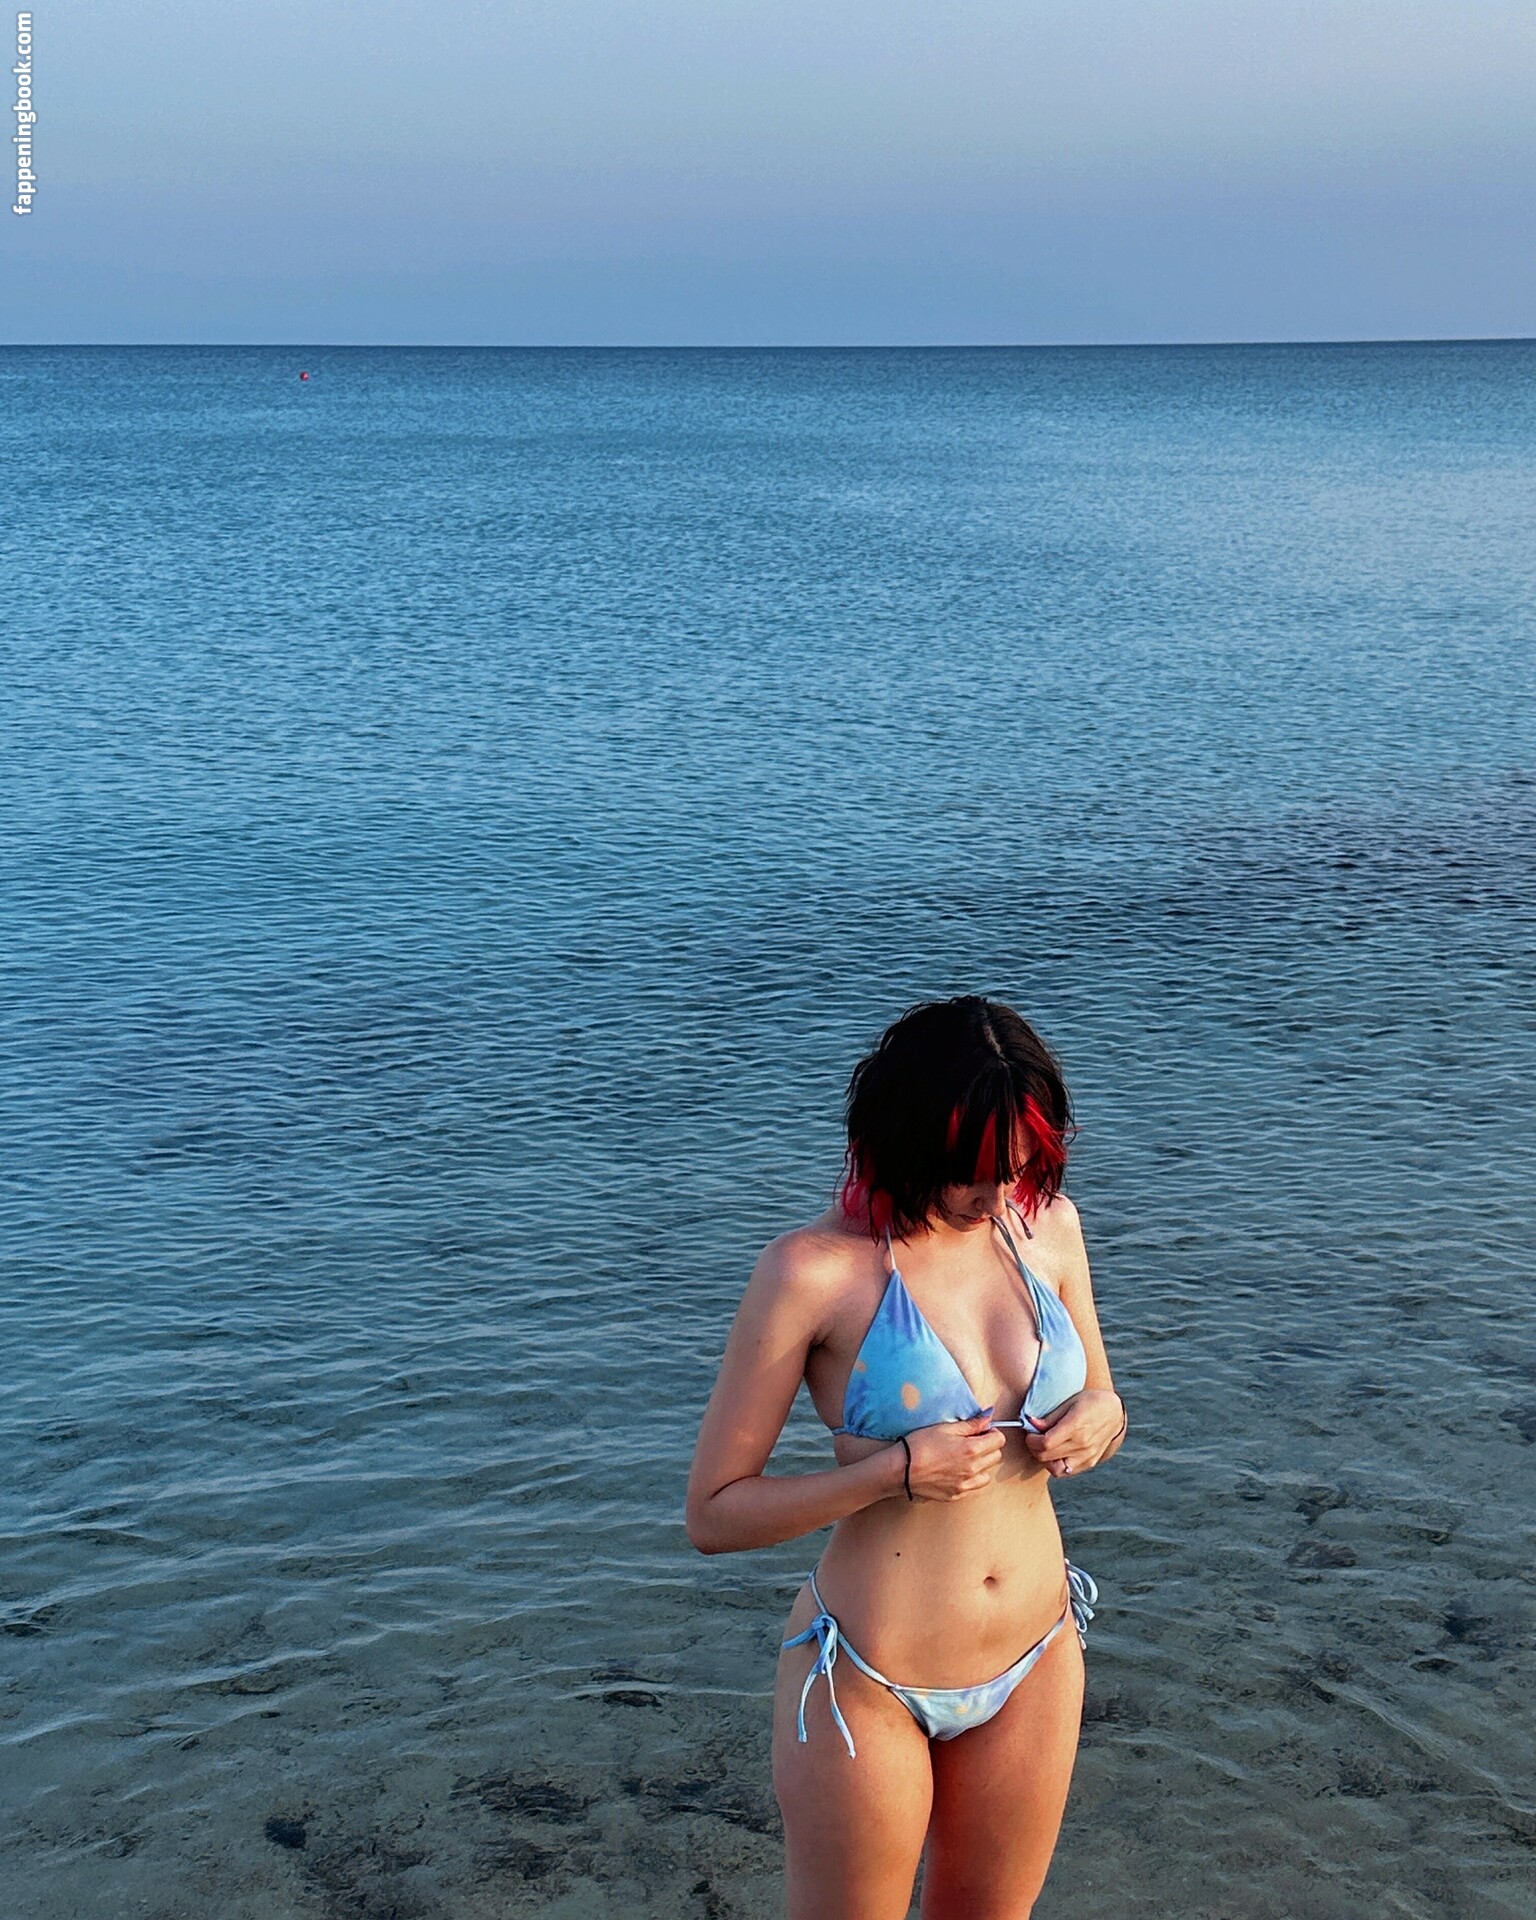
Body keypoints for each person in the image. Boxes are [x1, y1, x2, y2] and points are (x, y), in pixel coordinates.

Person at [685, 996, 1126, 1920]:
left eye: (1019, 1168)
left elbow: (1103, 1399)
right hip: (867, 1680)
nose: (997, 1197)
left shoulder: (1050, 1229)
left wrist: (1100, 1419)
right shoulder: (812, 1273)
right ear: (903, 1141)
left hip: (1039, 1653)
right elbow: (714, 1514)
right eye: (971, 1173)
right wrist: (893, 1472)